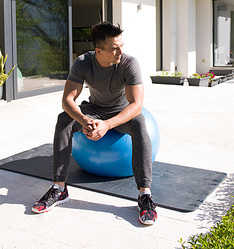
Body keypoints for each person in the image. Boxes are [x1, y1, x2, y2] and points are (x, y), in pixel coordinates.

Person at [32, 22, 157, 225]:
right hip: (94, 109)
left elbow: (136, 105)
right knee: (63, 119)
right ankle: (59, 188)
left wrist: (107, 125)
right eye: (114, 48)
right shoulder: (83, 62)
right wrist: (84, 120)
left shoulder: (129, 63)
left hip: (120, 111)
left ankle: (145, 194)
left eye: (121, 45)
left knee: (140, 124)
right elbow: (67, 100)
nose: (120, 51)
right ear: (98, 50)